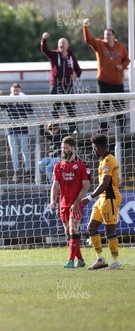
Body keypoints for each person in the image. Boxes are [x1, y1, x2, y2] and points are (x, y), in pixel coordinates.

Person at [83, 18, 130, 134]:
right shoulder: (99, 44)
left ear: (114, 36)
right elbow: (89, 40)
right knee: (103, 107)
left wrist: (122, 66)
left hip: (117, 83)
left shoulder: (120, 47)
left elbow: (127, 60)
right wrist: (85, 27)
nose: (106, 37)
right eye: (105, 35)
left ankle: (122, 129)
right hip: (103, 82)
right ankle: (103, 129)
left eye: (109, 34)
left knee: (119, 107)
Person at [81, 134, 122, 270]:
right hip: (102, 199)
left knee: (109, 230)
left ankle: (116, 262)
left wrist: (90, 197)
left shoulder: (109, 161)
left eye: (93, 148)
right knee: (91, 228)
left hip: (109, 198)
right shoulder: (103, 159)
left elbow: (105, 184)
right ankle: (101, 259)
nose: (93, 150)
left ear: (97, 148)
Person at [50, 136, 91, 268]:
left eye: (66, 148)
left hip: (76, 203)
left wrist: (77, 202)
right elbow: (55, 185)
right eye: (62, 148)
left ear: (73, 148)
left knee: (74, 228)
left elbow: (86, 186)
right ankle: (80, 259)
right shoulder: (58, 166)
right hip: (63, 203)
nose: (63, 150)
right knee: (68, 232)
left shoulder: (82, 165)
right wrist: (53, 200)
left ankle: (70, 260)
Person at [40, 32, 82, 134]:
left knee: (70, 107)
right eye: (60, 43)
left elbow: (78, 70)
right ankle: (54, 129)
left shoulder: (71, 57)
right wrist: (44, 40)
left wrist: (76, 74)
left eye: (63, 42)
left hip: (68, 85)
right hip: (56, 84)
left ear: (68, 45)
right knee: (55, 108)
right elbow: (44, 49)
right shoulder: (54, 55)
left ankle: (73, 128)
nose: (61, 44)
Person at [0, 83, 33, 183]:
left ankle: (28, 172)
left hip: (23, 128)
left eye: (17, 90)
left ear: (20, 90)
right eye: (14, 90)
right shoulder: (8, 100)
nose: (15, 92)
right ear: (11, 90)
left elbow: (30, 110)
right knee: (14, 151)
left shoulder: (23, 99)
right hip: (11, 129)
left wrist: (26, 101)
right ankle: (16, 172)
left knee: (25, 150)